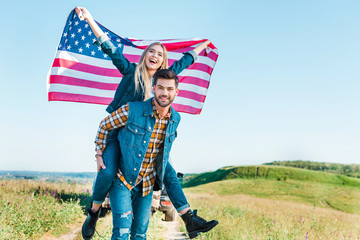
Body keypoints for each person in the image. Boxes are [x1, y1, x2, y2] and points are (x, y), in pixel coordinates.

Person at [76, 7, 218, 240]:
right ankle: (93, 211)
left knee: (167, 171)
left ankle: (188, 218)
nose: (156, 55)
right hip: (119, 131)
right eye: (151, 51)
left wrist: (203, 45)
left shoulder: (165, 79)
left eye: (160, 54)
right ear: (145, 56)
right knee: (107, 170)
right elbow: (111, 49)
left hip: (147, 136)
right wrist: (90, 19)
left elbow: (186, 61)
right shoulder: (131, 71)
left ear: (164, 61)